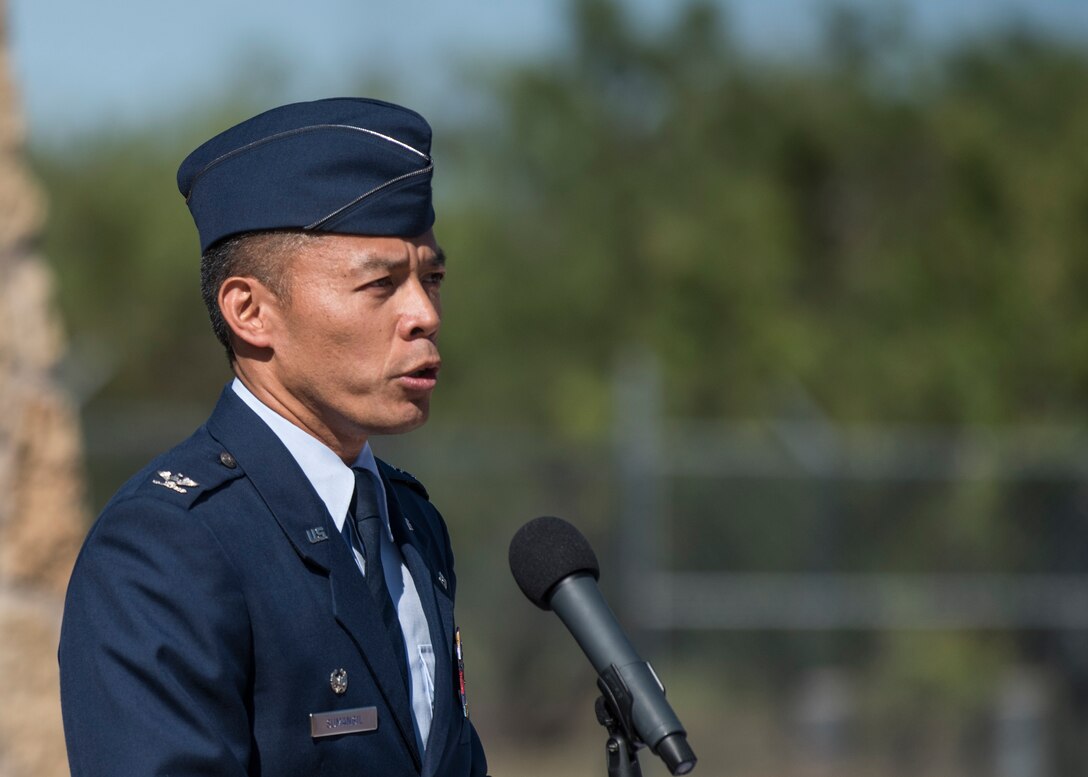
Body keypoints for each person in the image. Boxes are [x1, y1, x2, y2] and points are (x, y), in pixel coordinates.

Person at [58, 97, 488, 777]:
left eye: (431, 278)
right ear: (251, 311)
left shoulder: (411, 524)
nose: (424, 314)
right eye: (380, 283)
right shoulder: (165, 549)